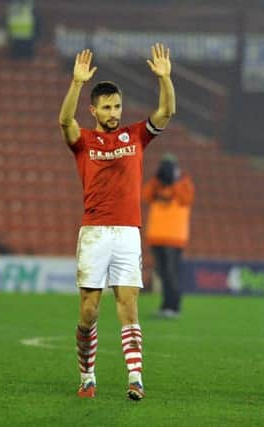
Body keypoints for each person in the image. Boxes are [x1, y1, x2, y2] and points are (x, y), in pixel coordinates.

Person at [58, 43, 175, 401]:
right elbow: (65, 121)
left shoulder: (135, 135)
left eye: (117, 106)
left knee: (129, 305)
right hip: (94, 233)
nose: (114, 112)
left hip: (127, 232)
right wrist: (76, 84)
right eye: (107, 107)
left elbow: (167, 112)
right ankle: (87, 376)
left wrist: (165, 78)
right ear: (93, 109)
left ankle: (135, 378)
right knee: (89, 311)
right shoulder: (85, 141)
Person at [142, 153, 195, 318]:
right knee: (162, 273)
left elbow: (186, 199)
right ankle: (166, 306)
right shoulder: (157, 183)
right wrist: (158, 180)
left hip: (174, 237)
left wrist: (175, 180)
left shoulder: (184, 183)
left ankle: (174, 306)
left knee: (171, 273)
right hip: (157, 236)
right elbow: (146, 196)